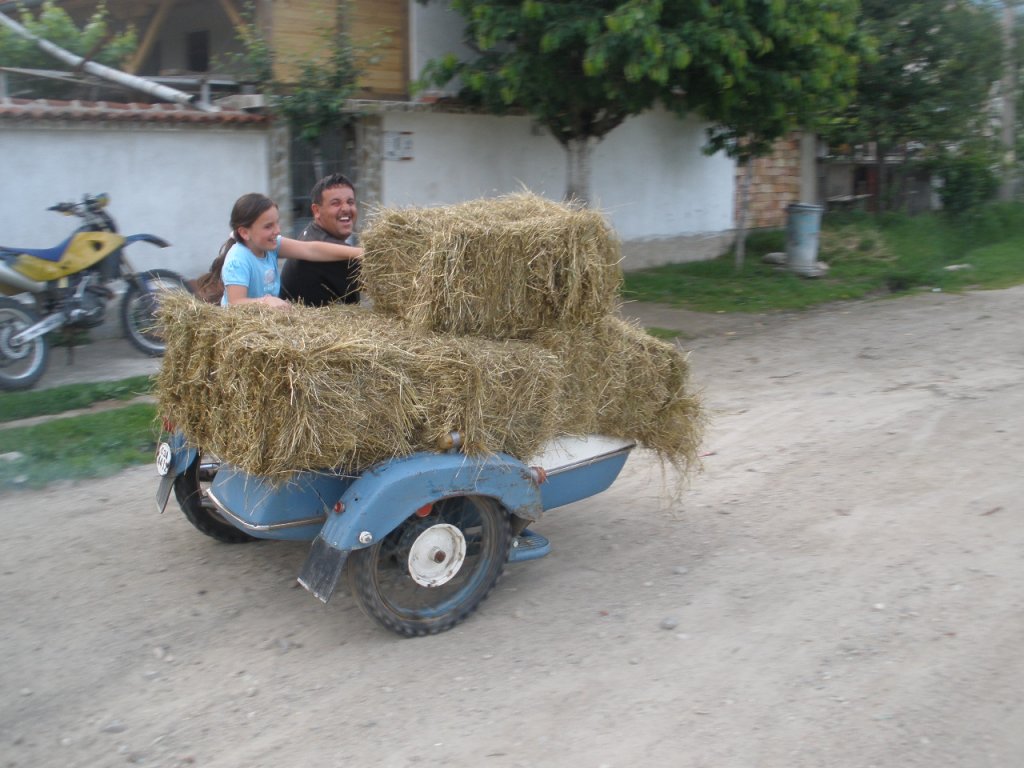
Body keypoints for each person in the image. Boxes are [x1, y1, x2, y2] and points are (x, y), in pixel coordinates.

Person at [214, 192, 362, 309]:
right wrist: (266, 302)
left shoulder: (271, 246)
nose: (277, 231)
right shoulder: (238, 259)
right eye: (268, 226)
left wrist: (359, 253)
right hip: (241, 329)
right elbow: (236, 303)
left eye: (277, 223)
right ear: (245, 232)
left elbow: (310, 249)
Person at [280, 173, 361, 306]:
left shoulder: (312, 233)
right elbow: (390, 283)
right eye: (336, 203)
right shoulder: (326, 249)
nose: (346, 208)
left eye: (350, 202)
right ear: (316, 210)